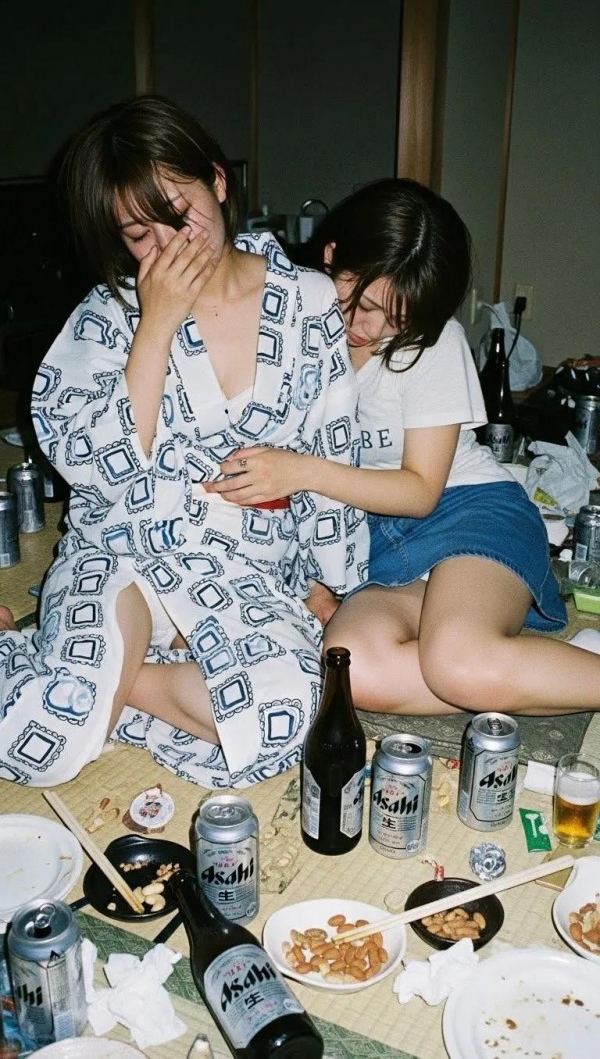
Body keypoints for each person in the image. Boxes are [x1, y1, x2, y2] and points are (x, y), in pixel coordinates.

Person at [0, 96, 369, 789]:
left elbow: (330, 448)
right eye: (140, 234)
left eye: (178, 210)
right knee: (44, 749)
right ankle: (83, 682)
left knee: (295, 712)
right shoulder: (108, 313)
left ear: (218, 182)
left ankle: (112, 686)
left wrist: (329, 580)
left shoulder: (310, 300)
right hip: (122, 547)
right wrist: (156, 324)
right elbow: (92, 469)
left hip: (241, 561)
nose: (170, 244)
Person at [207, 177, 600, 717]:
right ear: (331, 255)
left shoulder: (433, 343)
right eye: (362, 302)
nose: (369, 327)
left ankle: (492, 666)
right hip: (372, 542)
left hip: (467, 511)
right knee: (353, 671)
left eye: (397, 317)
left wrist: (299, 471)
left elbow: (419, 492)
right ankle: (530, 672)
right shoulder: (290, 325)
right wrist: (314, 582)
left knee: (457, 664)